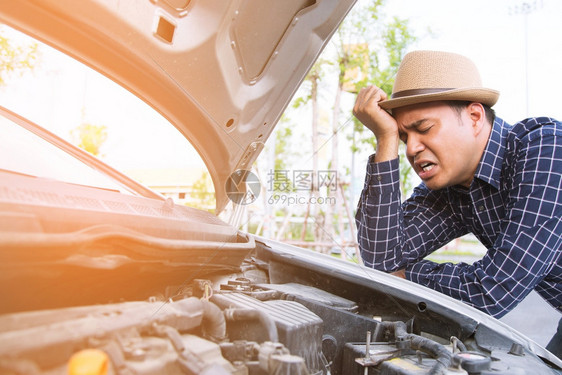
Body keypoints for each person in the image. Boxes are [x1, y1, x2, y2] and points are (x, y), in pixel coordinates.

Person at [352, 50, 562, 357]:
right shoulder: (450, 190)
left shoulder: (545, 149)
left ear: (475, 117)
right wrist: (384, 139)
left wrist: (411, 277)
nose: (411, 148)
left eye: (423, 129)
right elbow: (381, 261)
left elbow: (493, 289)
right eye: (403, 135)